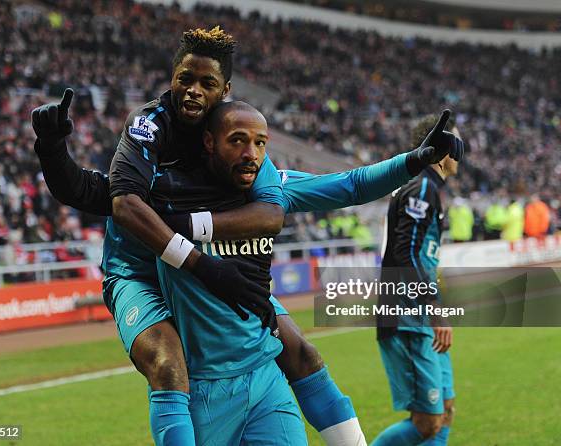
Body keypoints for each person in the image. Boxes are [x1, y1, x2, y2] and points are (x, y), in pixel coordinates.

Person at [31, 27, 463, 445]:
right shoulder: (149, 139)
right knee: (168, 362)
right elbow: (99, 194)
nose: (194, 91)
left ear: (226, 91)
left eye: (208, 83)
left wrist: (413, 160)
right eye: (186, 79)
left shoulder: (246, 159)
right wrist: (52, 152)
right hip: (140, 271)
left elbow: (342, 187)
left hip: (211, 272)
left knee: (301, 353)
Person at [372, 113, 463, 446]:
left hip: (422, 312)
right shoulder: (421, 188)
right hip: (407, 316)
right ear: (442, 150)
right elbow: (407, 254)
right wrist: (435, 311)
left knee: (446, 409)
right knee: (427, 422)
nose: (460, 154)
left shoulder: (428, 190)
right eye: (456, 144)